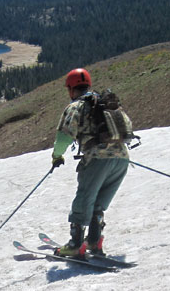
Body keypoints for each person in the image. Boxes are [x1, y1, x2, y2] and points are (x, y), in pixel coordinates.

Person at [51, 68, 130, 257]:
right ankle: (94, 241)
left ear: (71, 89)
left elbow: (64, 136)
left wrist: (57, 156)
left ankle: (76, 243)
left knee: (84, 198)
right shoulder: (106, 105)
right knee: (99, 204)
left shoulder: (76, 107)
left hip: (97, 159)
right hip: (122, 159)